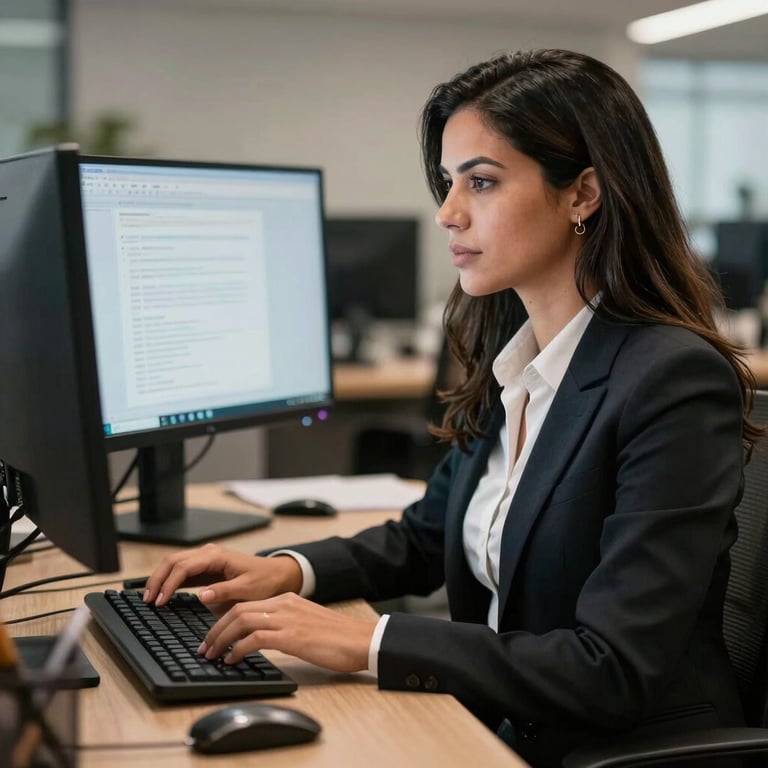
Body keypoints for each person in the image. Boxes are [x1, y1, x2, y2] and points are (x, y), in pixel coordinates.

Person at [144, 49, 759, 767]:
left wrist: (366, 642)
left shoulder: (672, 381)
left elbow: (611, 668)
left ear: (583, 194)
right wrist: (285, 571)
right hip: (498, 726)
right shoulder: (520, 357)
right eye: (448, 182)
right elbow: (428, 537)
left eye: (483, 182)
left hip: (618, 749)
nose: (448, 212)